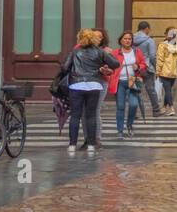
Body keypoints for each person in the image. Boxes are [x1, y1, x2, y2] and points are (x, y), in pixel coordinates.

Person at [63, 29, 120, 157]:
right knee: (91, 115)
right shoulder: (100, 51)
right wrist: (102, 64)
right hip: (94, 85)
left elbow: (65, 67)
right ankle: (91, 145)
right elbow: (115, 63)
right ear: (93, 39)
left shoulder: (75, 51)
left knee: (75, 116)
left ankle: (72, 145)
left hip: (76, 85)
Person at [108, 30, 148, 138]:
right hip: (119, 82)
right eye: (125, 39)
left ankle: (129, 125)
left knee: (134, 104)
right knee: (120, 107)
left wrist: (138, 67)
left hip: (133, 81)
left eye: (129, 39)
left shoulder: (136, 51)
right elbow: (110, 65)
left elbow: (143, 63)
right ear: (121, 40)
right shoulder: (115, 53)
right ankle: (120, 130)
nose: (127, 41)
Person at [132, 21, 162, 118]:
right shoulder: (149, 40)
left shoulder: (131, 39)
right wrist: (155, 67)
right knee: (151, 89)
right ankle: (156, 110)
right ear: (147, 28)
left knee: (136, 90)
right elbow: (152, 56)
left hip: (135, 67)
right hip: (147, 67)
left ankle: (134, 112)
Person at [156, 27, 177, 115]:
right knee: (168, 90)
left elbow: (160, 59)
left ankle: (167, 108)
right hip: (172, 71)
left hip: (166, 71)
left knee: (167, 90)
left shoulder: (163, 45)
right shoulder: (176, 46)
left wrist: (158, 71)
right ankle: (167, 107)